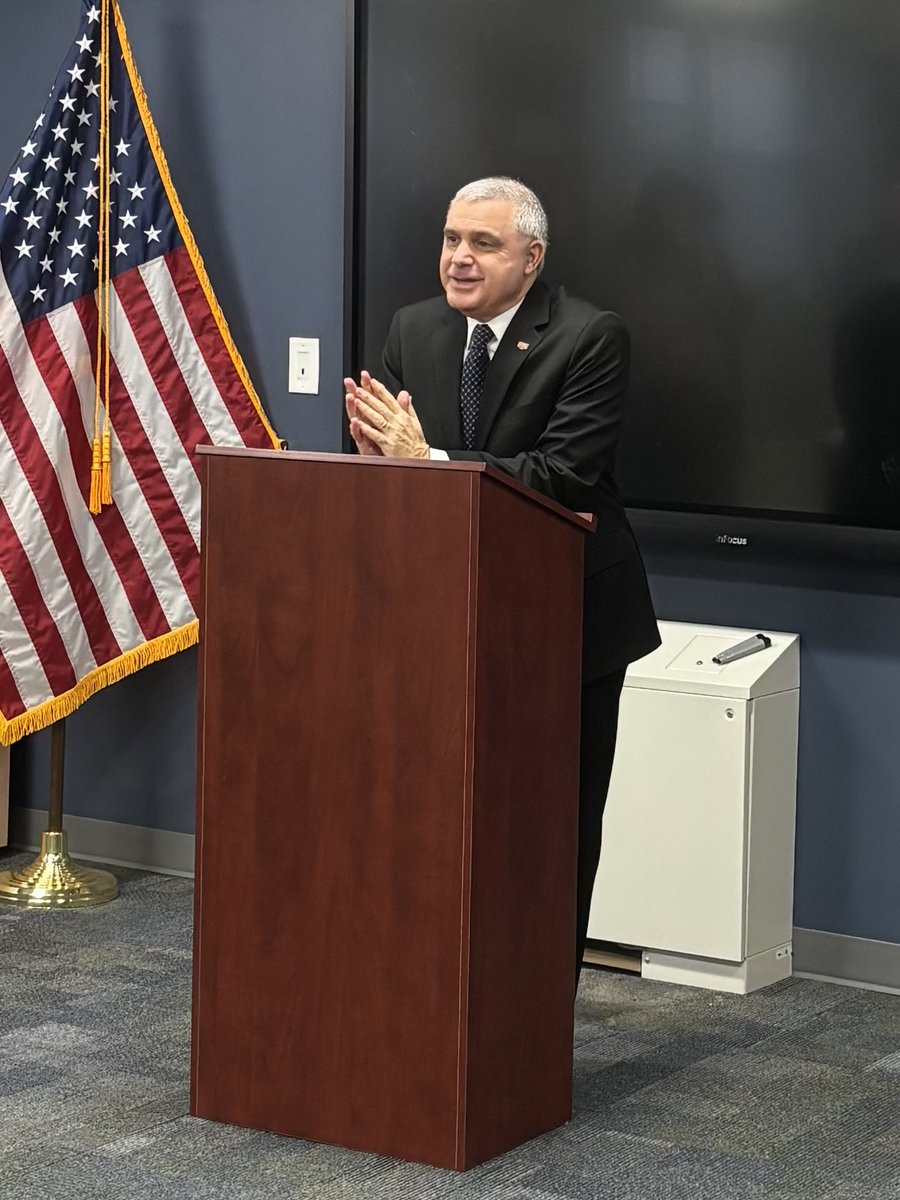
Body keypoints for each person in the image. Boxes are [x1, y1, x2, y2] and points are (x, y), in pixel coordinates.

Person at [344, 176, 660, 983]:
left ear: (532, 257)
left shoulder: (591, 336)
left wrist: (430, 463)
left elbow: (560, 476)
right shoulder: (414, 329)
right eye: (451, 239)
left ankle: (540, 1006)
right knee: (438, 821)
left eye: (483, 243)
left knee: (551, 827)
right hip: (441, 618)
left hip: (566, 620)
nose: (459, 258)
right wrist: (381, 465)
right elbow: (394, 472)